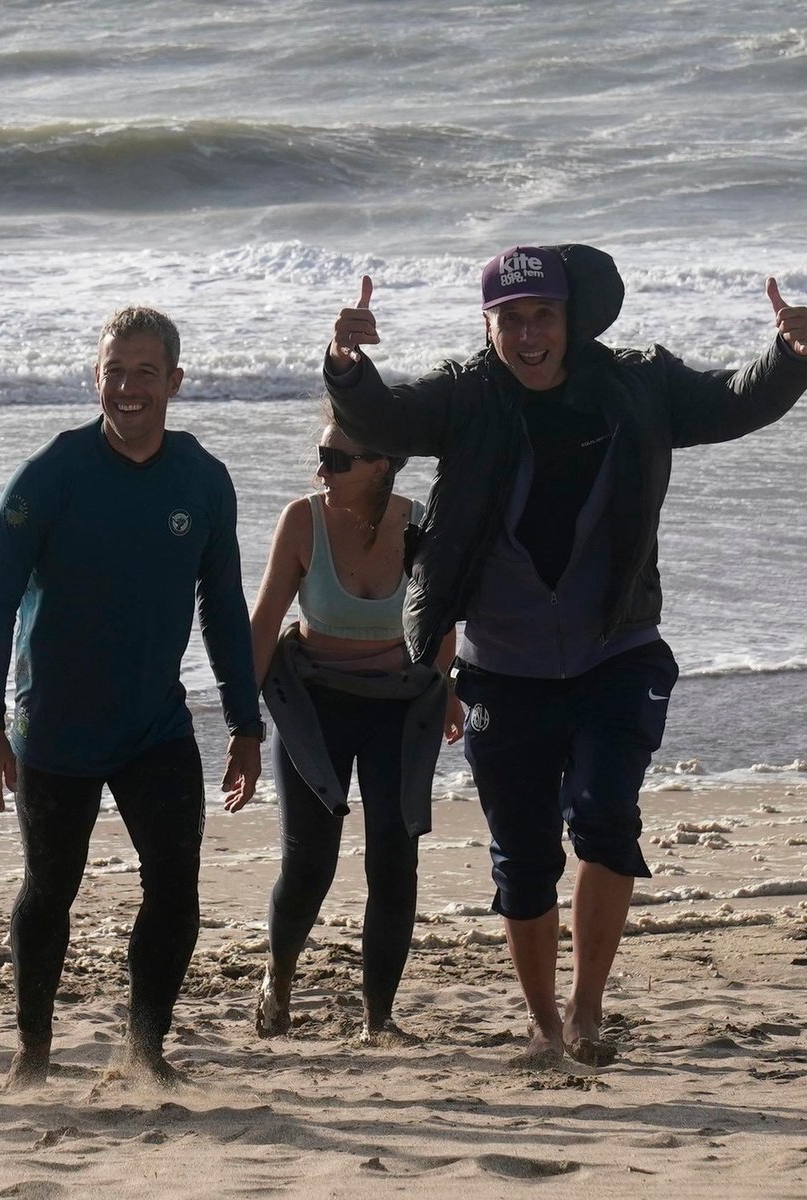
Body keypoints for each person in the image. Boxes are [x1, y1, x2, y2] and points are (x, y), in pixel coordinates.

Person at [323, 244, 807, 1065]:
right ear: (489, 325)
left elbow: (730, 402)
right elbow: (386, 419)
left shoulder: (636, 384)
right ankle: (544, 1024)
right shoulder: (466, 394)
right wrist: (347, 367)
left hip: (617, 651)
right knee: (523, 861)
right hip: (502, 669)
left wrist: (791, 357)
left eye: (542, 314)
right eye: (509, 319)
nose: (528, 333)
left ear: (571, 317)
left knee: (607, 817)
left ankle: (587, 1009)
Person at [0, 306, 264, 1088]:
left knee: (175, 888)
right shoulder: (52, 475)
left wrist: (244, 721)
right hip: (53, 726)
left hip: (152, 723)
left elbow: (223, 606)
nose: (128, 388)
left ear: (174, 380)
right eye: (114, 372)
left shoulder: (202, 479)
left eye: (144, 372)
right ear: (95, 377)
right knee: (50, 887)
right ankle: (33, 1049)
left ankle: (143, 1049)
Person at [247, 417, 461, 1044]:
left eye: (336, 460)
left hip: (398, 707)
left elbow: (440, 620)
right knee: (309, 864)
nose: (322, 472)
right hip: (312, 707)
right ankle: (279, 979)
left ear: (381, 464)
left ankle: (378, 1019)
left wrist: (446, 688)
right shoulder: (301, 520)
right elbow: (263, 625)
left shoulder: (420, 523)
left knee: (395, 864)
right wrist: (243, 729)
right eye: (320, 457)